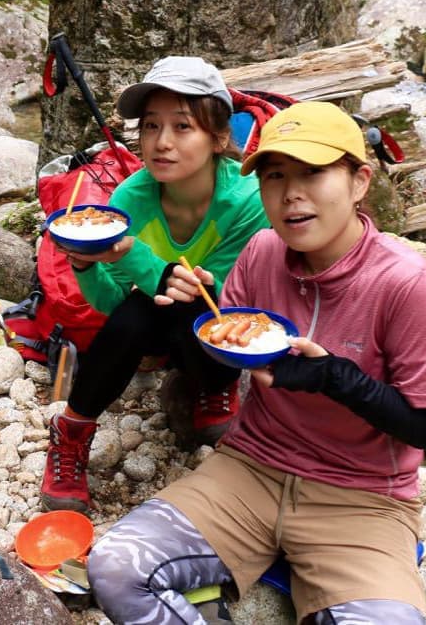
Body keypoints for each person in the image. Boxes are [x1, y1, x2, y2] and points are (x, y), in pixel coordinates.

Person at [87, 101, 426, 625]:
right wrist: (190, 302)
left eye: (312, 173)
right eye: (275, 176)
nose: (291, 195)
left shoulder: (411, 288)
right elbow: (226, 351)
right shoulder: (262, 251)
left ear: (359, 181)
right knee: (113, 566)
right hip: (249, 469)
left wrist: (335, 376)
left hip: (360, 499)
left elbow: (424, 428)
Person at [41, 56, 269, 513]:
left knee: (189, 301)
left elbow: (232, 304)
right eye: (149, 127)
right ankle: (72, 431)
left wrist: (137, 257)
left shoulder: (247, 199)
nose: (160, 143)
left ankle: (214, 387)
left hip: (220, 331)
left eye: (182, 127)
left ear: (218, 136)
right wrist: (86, 264)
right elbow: (110, 304)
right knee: (141, 310)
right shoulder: (131, 199)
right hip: (154, 322)